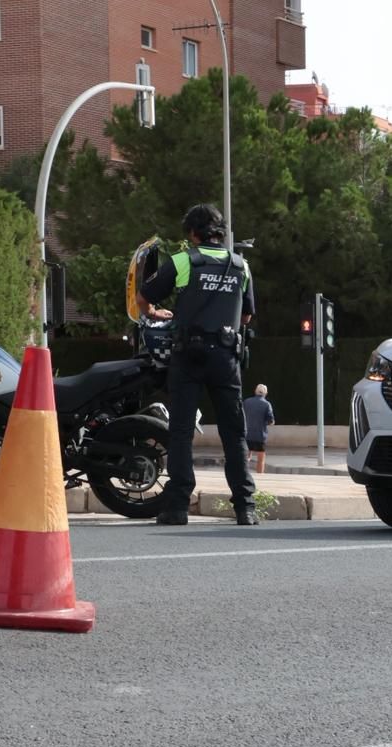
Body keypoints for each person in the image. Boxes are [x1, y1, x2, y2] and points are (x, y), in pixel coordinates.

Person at [137, 204, 257, 526]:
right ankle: (245, 507)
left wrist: (154, 313)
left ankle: (177, 507)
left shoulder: (182, 261)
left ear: (192, 234)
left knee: (180, 433)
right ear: (219, 233)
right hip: (226, 356)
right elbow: (246, 316)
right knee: (235, 433)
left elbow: (145, 295)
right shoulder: (240, 266)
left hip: (187, 355)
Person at [242, 384, 275, 474]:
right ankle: (259, 477)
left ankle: (244, 474)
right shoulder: (267, 404)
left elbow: (241, 416)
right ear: (266, 393)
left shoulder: (246, 402)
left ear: (255, 391)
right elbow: (271, 421)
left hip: (247, 434)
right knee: (260, 460)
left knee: (246, 457)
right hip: (260, 435)